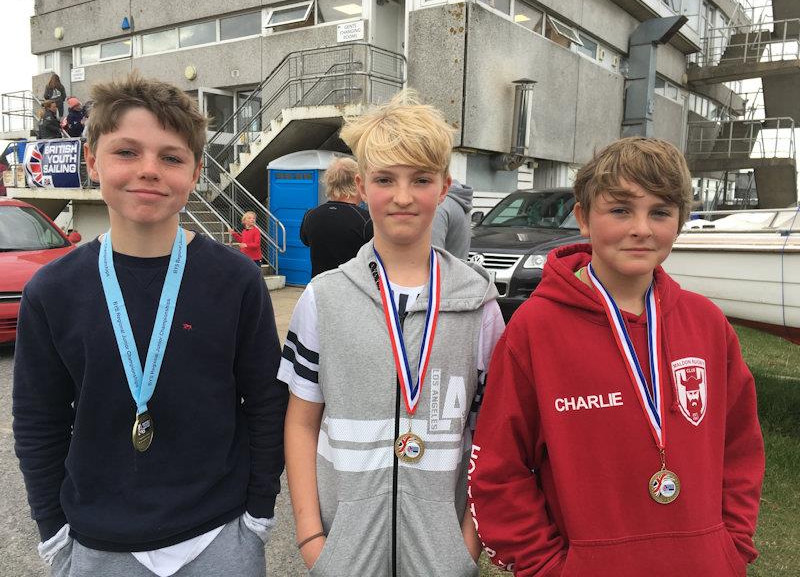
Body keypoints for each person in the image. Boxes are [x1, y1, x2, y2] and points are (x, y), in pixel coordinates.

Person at [13, 73, 288, 577]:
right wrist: (53, 534)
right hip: (98, 543)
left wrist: (258, 515)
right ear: (92, 159)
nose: (149, 170)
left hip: (220, 534)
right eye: (127, 152)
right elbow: (39, 420)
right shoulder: (52, 290)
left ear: (196, 171)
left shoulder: (236, 280)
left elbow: (266, 402)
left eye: (171, 157)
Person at [468, 137, 765, 576]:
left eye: (660, 212)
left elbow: (740, 448)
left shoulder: (707, 325)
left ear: (680, 221)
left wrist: (730, 545)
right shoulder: (536, 329)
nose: (641, 228)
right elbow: (498, 468)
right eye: (621, 210)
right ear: (584, 218)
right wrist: (547, 567)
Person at [279, 91, 505, 576]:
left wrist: (467, 541)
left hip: (443, 553)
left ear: (443, 187)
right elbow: (301, 421)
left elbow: (492, 433)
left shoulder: (479, 304)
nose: (403, 197)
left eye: (420, 179)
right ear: (361, 186)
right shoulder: (324, 298)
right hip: (345, 550)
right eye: (386, 179)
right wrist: (311, 536)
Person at [299, 156, 372, 277]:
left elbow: (305, 241)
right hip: (354, 290)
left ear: (329, 182)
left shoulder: (310, 215)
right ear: (357, 182)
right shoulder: (366, 220)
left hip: (319, 288)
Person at [431, 178, 473, 260]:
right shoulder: (459, 202)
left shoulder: (439, 206)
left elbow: (433, 259)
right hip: (458, 270)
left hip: (443, 271)